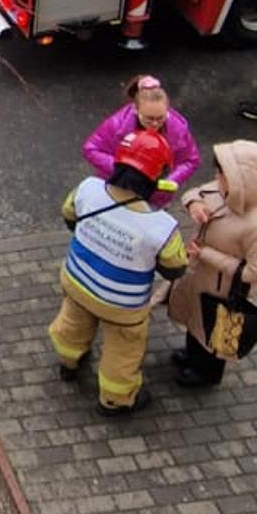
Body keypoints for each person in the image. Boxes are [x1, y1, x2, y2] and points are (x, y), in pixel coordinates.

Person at [48, 131, 188, 416]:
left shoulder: (88, 189)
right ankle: (115, 399)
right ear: (157, 177)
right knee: (123, 350)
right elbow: (175, 267)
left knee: (73, 323)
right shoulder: (160, 226)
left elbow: (69, 216)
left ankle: (68, 361)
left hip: (76, 280)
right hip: (122, 305)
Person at [168, 141, 257, 387]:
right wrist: (195, 204)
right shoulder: (233, 190)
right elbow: (197, 193)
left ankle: (206, 374)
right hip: (204, 277)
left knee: (214, 333)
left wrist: (206, 254)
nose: (216, 178)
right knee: (197, 321)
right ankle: (192, 357)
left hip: (225, 289)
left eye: (222, 174)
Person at [82, 74, 200, 208]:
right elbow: (91, 149)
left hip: (155, 198)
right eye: (149, 119)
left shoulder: (178, 130)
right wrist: (122, 171)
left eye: (161, 118)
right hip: (117, 190)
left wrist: (172, 179)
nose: (155, 124)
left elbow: (191, 160)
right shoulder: (117, 124)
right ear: (136, 109)